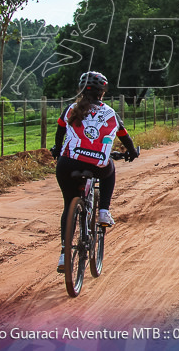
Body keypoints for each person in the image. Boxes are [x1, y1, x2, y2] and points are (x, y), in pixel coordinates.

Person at [51, 70, 138, 272]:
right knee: (110, 168)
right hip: (96, 164)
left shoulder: (70, 109)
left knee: (67, 205)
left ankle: (65, 254)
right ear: (102, 92)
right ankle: (104, 212)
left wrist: (57, 150)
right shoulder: (110, 113)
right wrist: (132, 153)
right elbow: (125, 137)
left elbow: (60, 133)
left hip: (67, 164)